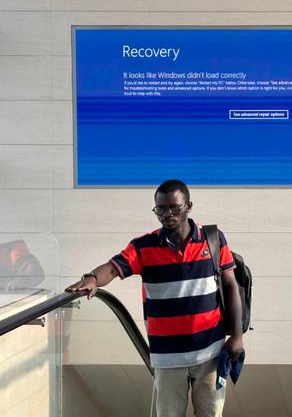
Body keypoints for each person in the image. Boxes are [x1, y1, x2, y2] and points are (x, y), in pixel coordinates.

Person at [66, 179, 243, 417]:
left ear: (188, 206)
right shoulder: (143, 247)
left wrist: (237, 336)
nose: (167, 214)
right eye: (161, 209)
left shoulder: (213, 238)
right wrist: (92, 279)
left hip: (209, 353)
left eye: (174, 208)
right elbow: (112, 267)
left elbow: (231, 286)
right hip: (167, 359)